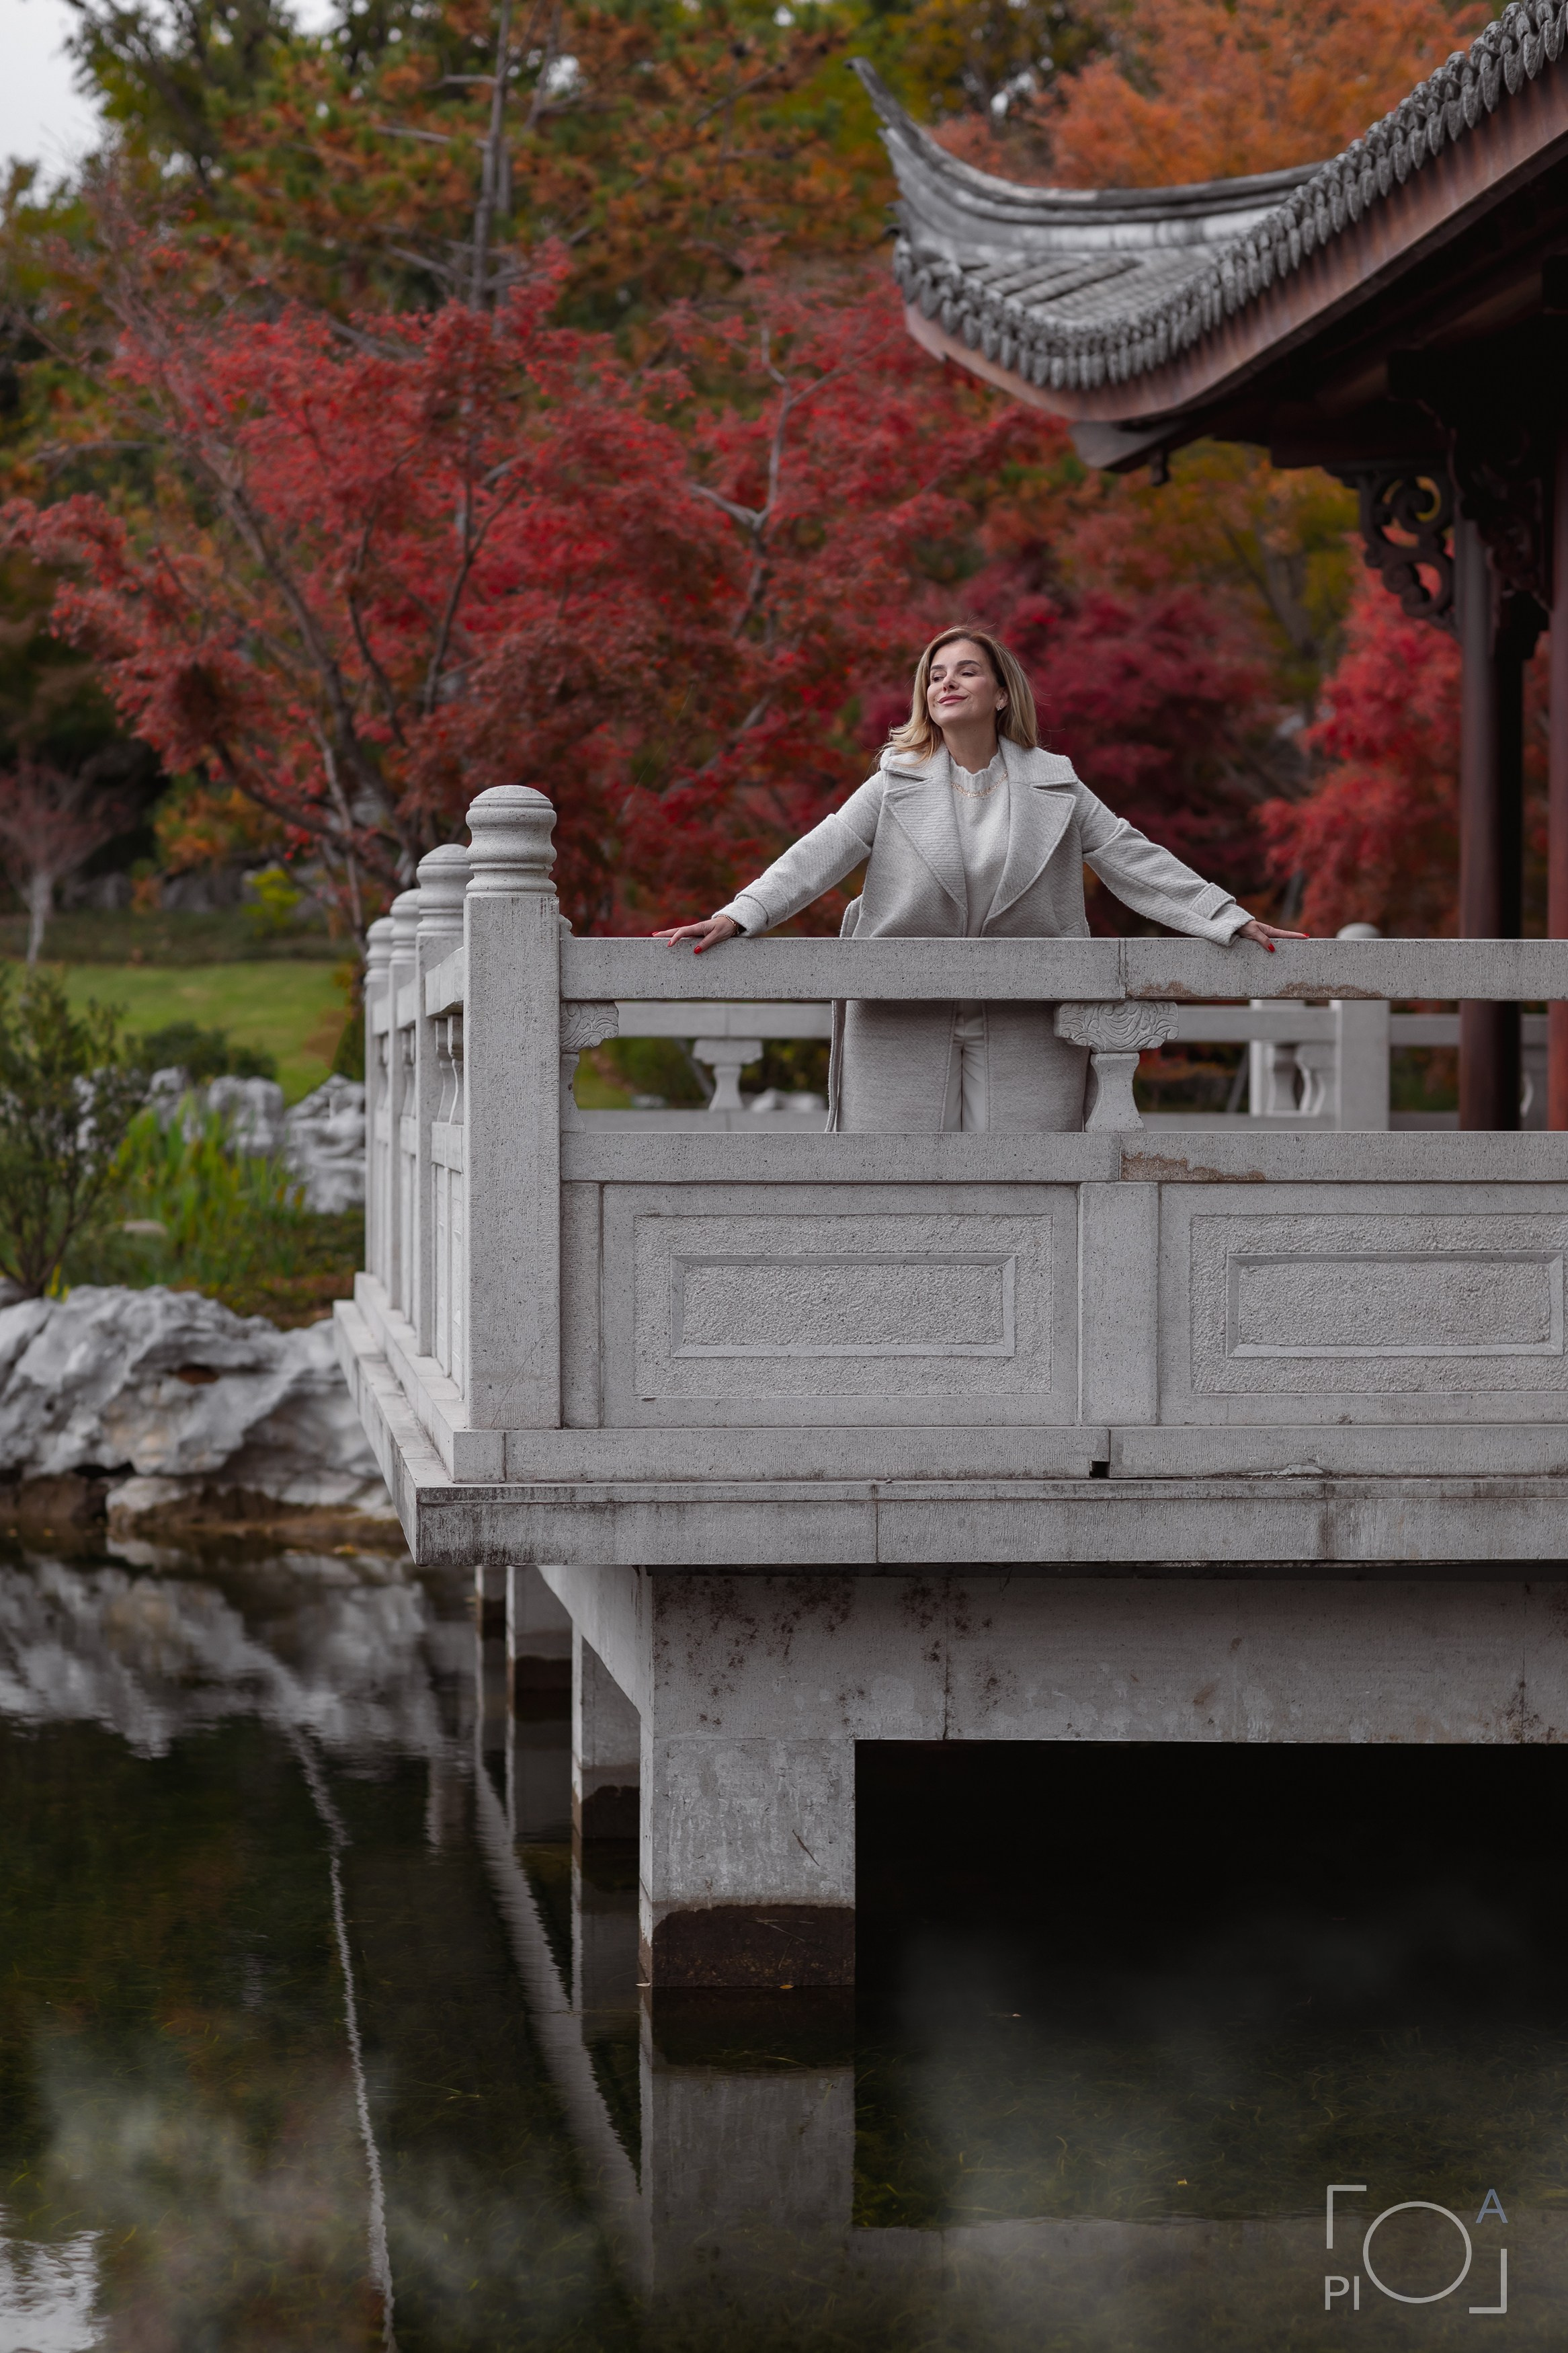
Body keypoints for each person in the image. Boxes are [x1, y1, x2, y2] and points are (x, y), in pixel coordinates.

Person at [653, 627, 1303, 1134]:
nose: (947, 682)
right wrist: (741, 914)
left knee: (1024, 1180)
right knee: (900, 1183)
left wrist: (1225, 917)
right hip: (902, 1008)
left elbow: (1131, 857)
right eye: (935, 675)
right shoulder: (894, 781)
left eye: (966, 670)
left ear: (1000, 694)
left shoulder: (1055, 783)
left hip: (1027, 1012)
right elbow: (819, 853)